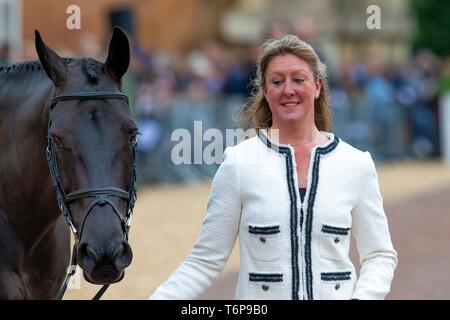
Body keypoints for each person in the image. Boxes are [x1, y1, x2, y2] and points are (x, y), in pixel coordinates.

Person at [149, 35, 397, 300]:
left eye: (298, 79)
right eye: (277, 81)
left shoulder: (356, 165)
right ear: (266, 92)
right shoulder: (238, 163)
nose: (288, 89)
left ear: (317, 86)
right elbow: (204, 261)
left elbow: (379, 255)